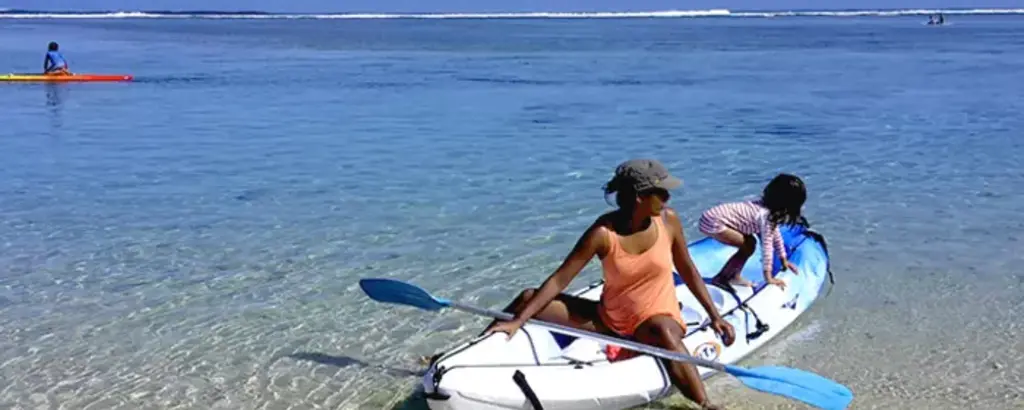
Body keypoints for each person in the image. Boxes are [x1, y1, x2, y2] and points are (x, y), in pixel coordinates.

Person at [483, 159, 736, 410]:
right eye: (661, 192)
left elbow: (687, 270)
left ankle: (705, 403)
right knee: (528, 298)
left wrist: (715, 316)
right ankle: (470, 353)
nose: (668, 197)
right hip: (610, 319)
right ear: (640, 197)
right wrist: (519, 320)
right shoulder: (603, 233)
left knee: (664, 330)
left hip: (657, 321)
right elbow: (561, 278)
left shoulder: (669, 221)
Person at [698, 173, 808, 291]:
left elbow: (776, 235)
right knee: (749, 246)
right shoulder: (765, 216)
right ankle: (722, 278)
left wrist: (783, 259)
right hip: (713, 222)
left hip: (712, 217)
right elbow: (767, 248)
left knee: (750, 243)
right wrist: (768, 277)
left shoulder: (768, 212)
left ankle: (733, 276)